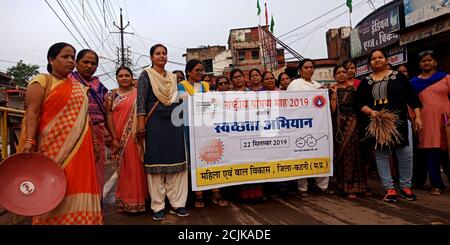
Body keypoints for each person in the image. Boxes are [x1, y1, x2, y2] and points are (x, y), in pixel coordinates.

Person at [19, 42, 103, 224]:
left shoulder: (79, 88)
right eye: (65, 57)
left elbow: (85, 118)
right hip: (50, 149)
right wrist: (30, 140)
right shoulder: (41, 82)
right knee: (52, 186)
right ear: (51, 59)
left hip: (80, 149)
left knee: (77, 184)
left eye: (72, 57)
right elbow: (32, 113)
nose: (71, 61)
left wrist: (96, 144)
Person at [356, 49, 423, 203]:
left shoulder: (398, 77)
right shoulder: (366, 81)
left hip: (400, 122)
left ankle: (406, 187)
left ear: (386, 59)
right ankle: (389, 189)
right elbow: (359, 103)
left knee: (406, 154)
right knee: (382, 155)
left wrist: (418, 117)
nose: (377, 60)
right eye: (373, 58)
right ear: (369, 63)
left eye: (380, 57)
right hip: (379, 124)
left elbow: (412, 98)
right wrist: (371, 112)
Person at [136, 44, 189, 220]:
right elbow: (141, 102)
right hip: (154, 124)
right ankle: (158, 206)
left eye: (164, 53)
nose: (162, 56)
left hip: (174, 123)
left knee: (176, 162)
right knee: (156, 165)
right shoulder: (146, 75)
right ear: (151, 57)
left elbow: (173, 99)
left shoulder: (173, 77)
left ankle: (178, 204)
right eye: (158, 53)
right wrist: (141, 126)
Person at [178, 59, 229, 208]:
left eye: (201, 70)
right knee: (195, 160)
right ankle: (198, 195)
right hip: (190, 128)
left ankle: (215, 192)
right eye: (197, 70)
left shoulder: (206, 85)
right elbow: (184, 104)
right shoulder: (182, 85)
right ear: (188, 72)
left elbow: (212, 104)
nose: (200, 73)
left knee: (213, 157)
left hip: (207, 127)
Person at [105, 66, 149, 213]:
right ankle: (125, 201)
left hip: (135, 135)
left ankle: (139, 200)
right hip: (117, 135)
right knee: (123, 170)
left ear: (132, 77)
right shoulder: (111, 95)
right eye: (121, 76)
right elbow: (108, 116)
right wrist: (113, 137)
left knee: (136, 168)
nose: (124, 78)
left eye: (127, 75)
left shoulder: (138, 94)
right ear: (116, 78)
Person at [69, 49, 111, 199]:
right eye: (85, 62)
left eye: (93, 63)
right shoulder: (68, 82)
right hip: (74, 133)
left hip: (97, 131)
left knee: (97, 170)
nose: (89, 66)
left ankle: (95, 205)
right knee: (77, 171)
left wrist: (111, 136)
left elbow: (107, 114)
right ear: (76, 63)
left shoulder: (100, 87)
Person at [287, 59, 330, 196]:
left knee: (320, 152)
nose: (309, 70)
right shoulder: (295, 84)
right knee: (302, 155)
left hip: (318, 125)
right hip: (301, 125)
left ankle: (322, 185)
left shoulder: (318, 86)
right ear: (301, 69)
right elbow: (290, 104)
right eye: (306, 67)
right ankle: (302, 187)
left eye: (311, 67)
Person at [410, 50, 450, 196]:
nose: (427, 63)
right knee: (431, 153)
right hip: (425, 121)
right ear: (420, 64)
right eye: (423, 61)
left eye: (429, 60)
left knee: (448, 151)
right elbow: (411, 103)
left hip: (446, 120)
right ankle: (437, 185)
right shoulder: (414, 83)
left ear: (435, 62)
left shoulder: (445, 78)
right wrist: (414, 119)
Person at [330, 65, 370, 199]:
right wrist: (334, 94)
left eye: (344, 72)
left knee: (357, 155)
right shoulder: (331, 90)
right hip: (339, 126)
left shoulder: (355, 90)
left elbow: (359, 106)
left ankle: (361, 186)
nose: (341, 74)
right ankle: (346, 187)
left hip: (354, 124)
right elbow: (333, 110)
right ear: (334, 76)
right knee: (344, 155)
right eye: (338, 72)